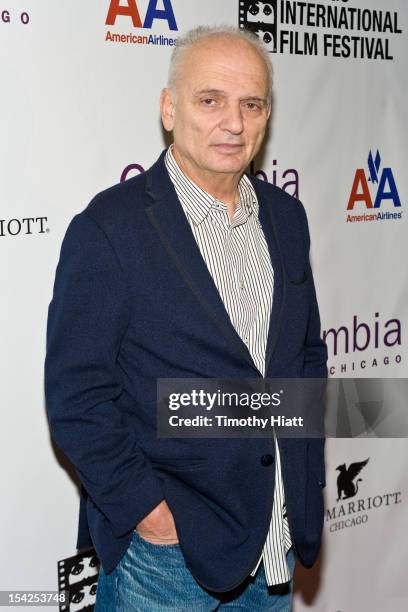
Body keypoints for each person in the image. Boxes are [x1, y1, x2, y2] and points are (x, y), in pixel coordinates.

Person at [44, 25, 328, 611]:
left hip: (274, 539)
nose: (234, 122)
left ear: (267, 115)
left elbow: (304, 358)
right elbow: (76, 396)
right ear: (169, 109)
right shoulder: (110, 230)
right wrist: (152, 517)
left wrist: (305, 482)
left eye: (251, 104)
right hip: (169, 559)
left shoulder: (287, 218)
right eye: (210, 100)